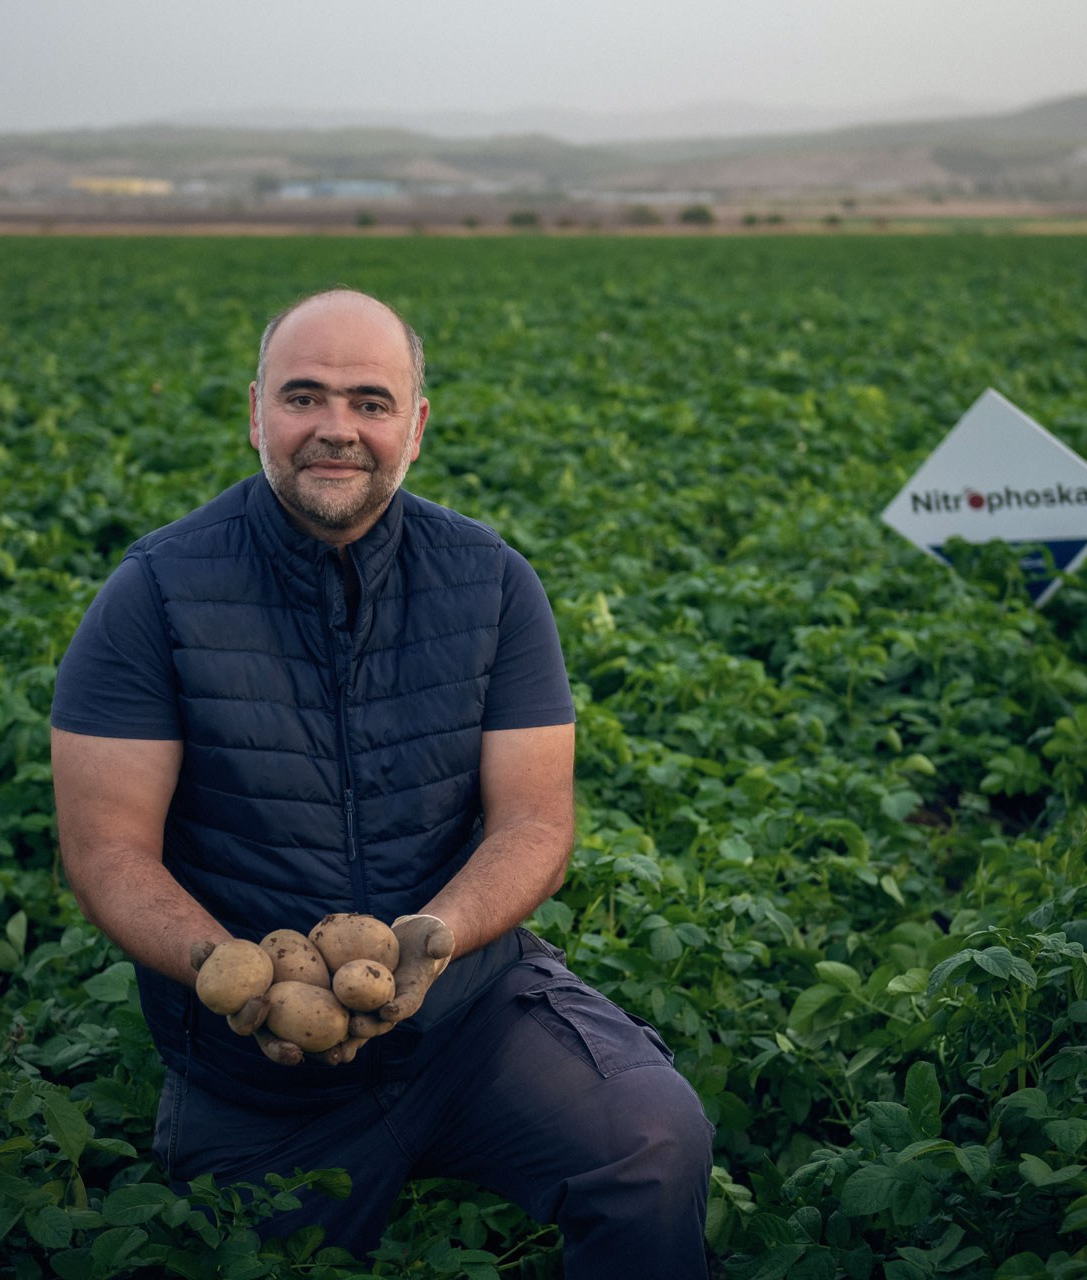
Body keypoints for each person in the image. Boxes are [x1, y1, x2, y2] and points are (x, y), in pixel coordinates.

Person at [49, 289, 714, 1275]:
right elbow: (107, 848)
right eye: (303, 396)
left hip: (473, 1020)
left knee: (654, 1138)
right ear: (255, 412)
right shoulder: (152, 593)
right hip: (255, 1073)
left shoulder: (491, 581)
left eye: (369, 401)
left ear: (416, 425)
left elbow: (533, 819)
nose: (336, 429)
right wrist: (225, 967)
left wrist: (436, 941)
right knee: (244, 1258)